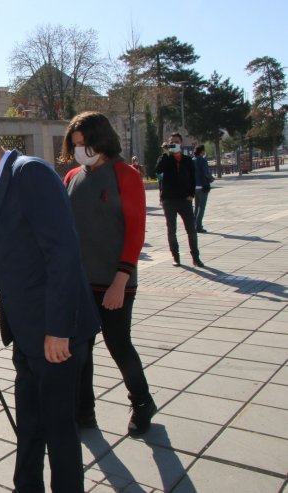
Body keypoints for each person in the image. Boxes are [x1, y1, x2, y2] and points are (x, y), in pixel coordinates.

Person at [0, 118, 99, 493]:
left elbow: (62, 253)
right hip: (28, 332)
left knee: (59, 431)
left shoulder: (30, 174)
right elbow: (19, 243)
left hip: (55, 332)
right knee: (30, 423)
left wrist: (58, 329)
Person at [61, 112, 157, 436]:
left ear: (101, 140)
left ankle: (142, 402)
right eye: (75, 145)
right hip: (81, 282)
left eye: (84, 143)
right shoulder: (72, 176)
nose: (79, 150)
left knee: (118, 344)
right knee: (80, 348)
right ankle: (83, 412)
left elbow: (135, 231)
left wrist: (121, 280)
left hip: (115, 281)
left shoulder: (125, 175)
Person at [156, 133, 204, 267]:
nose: (174, 144)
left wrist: (191, 195)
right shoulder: (165, 158)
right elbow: (158, 170)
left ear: (181, 143)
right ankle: (175, 257)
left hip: (184, 200)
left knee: (191, 230)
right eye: (171, 142)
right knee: (172, 230)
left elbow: (193, 178)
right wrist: (166, 153)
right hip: (169, 200)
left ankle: (196, 257)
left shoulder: (188, 160)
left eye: (176, 142)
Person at [192, 144, 213, 233]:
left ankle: (193, 225)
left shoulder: (192, 160)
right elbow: (206, 173)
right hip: (203, 185)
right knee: (202, 207)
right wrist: (211, 179)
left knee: (196, 206)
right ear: (202, 151)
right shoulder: (203, 160)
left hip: (194, 186)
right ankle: (199, 226)